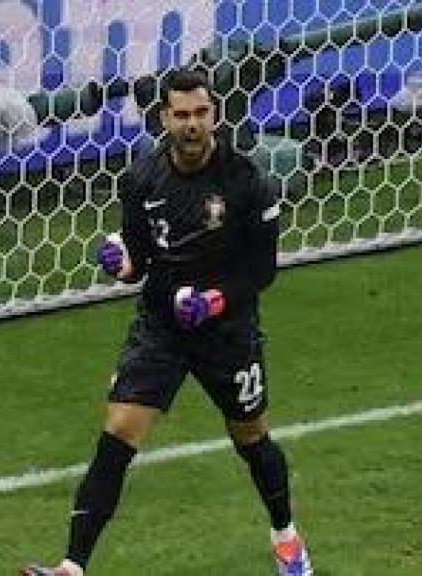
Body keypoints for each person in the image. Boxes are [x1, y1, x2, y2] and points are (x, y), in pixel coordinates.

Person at [20, 68, 312, 576]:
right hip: (162, 327)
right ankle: (71, 566)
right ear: (164, 119)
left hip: (227, 331)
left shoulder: (247, 181)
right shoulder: (141, 179)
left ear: (214, 115)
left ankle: (286, 537)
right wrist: (121, 265)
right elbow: (137, 257)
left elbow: (261, 270)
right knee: (117, 434)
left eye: (201, 113)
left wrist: (215, 301)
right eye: (182, 115)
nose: (192, 124)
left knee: (251, 438)